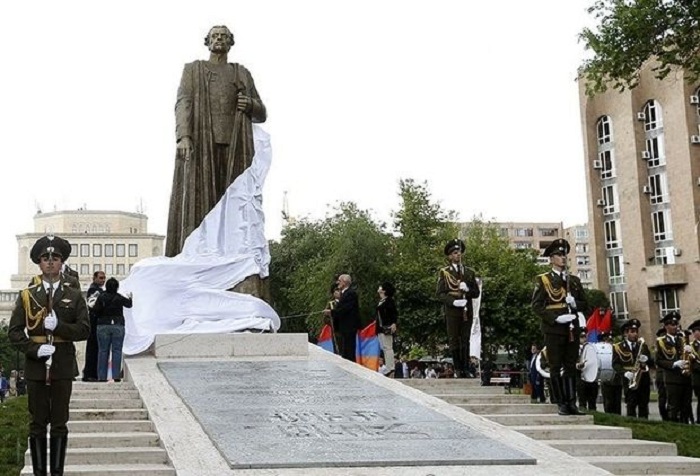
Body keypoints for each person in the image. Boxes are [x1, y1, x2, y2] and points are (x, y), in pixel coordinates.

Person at [166, 25, 267, 257]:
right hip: (202, 146)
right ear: (208, 42)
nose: (219, 39)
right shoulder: (193, 70)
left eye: (223, 36)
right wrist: (184, 136)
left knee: (235, 209)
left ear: (230, 42)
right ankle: (198, 254)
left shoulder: (241, 73)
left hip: (236, 150)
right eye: (214, 36)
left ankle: (233, 256)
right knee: (201, 208)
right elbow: (183, 102)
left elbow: (262, 113)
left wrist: (250, 105)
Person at [8, 235, 90, 475]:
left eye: (55, 258)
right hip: (36, 366)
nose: (51, 262)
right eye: (46, 258)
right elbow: (14, 333)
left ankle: (57, 473)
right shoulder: (27, 295)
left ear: (62, 262)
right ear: (39, 262)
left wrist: (61, 327)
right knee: (36, 424)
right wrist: (34, 349)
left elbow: (85, 330)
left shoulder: (74, 294)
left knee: (59, 424)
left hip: (63, 364)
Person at [531, 238, 587, 416]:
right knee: (555, 365)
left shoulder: (574, 281)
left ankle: (571, 401)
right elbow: (537, 306)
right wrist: (555, 318)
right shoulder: (543, 280)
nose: (563, 258)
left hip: (571, 327)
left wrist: (575, 304)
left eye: (564, 255)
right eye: (559, 255)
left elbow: (586, 305)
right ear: (551, 258)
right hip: (554, 329)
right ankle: (560, 402)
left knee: (570, 365)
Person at [436, 238, 480, 378]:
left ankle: (466, 368)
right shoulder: (444, 272)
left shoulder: (469, 272)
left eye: (459, 252)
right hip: (452, 310)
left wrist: (467, 289)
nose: (458, 255)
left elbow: (476, 293)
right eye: (455, 253)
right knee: (454, 339)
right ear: (449, 256)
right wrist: (453, 302)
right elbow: (440, 294)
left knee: (465, 338)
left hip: (466, 310)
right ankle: (458, 368)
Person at [655, 311, 692, 423]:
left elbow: (688, 357)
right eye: (672, 324)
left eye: (676, 324)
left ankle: (685, 427)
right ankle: (673, 427)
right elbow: (659, 360)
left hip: (685, 378)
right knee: (673, 406)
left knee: (686, 405)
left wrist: (690, 353)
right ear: (666, 326)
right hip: (672, 379)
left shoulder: (682, 340)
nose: (675, 326)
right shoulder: (661, 341)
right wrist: (673, 364)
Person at [93, 277, 133, 382]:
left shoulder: (101, 297)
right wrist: (131, 298)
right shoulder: (119, 297)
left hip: (103, 325)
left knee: (103, 351)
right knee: (117, 351)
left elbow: (95, 310)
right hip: (118, 325)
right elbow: (129, 305)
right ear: (117, 287)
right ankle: (116, 376)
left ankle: (102, 376)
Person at [612, 318, 652, 418]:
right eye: (632, 332)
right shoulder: (618, 347)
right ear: (626, 333)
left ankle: (645, 426)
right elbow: (615, 364)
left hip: (643, 379)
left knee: (643, 405)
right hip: (629, 380)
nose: (635, 334)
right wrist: (625, 373)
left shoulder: (642, 346)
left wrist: (646, 360)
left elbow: (651, 363)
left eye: (636, 331)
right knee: (631, 405)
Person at [322, 274, 360, 361]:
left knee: (349, 349)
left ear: (344, 282)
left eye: (339, 281)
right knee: (345, 350)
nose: (337, 282)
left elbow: (345, 309)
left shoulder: (351, 293)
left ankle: (351, 367)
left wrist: (331, 312)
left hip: (349, 326)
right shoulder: (344, 294)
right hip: (343, 327)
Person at [82, 271, 106, 382]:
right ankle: (90, 373)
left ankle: (92, 373)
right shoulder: (94, 290)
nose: (103, 280)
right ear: (94, 278)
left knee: (95, 349)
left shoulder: (98, 290)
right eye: (100, 278)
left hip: (96, 322)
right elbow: (92, 305)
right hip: (94, 323)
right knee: (93, 349)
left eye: (104, 278)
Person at [376, 281, 398, 377]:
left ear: (384, 290)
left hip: (387, 327)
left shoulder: (389, 301)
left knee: (388, 347)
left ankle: (390, 368)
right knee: (384, 348)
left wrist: (393, 323)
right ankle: (389, 367)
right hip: (380, 328)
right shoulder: (381, 301)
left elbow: (394, 313)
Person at [688, 319, 700, 424]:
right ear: (694, 333)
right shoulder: (691, 347)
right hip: (698, 378)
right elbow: (692, 364)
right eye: (698, 331)